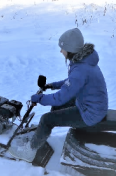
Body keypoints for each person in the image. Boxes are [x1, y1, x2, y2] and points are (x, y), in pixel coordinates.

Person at [8, 28, 108, 162]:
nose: (61, 51)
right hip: (91, 104)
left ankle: (30, 151)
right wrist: (52, 85)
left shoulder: (80, 70)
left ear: (71, 49)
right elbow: (72, 83)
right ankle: (42, 134)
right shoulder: (84, 61)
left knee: (46, 119)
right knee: (57, 109)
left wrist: (39, 98)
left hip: (90, 113)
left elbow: (60, 98)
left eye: (63, 48)